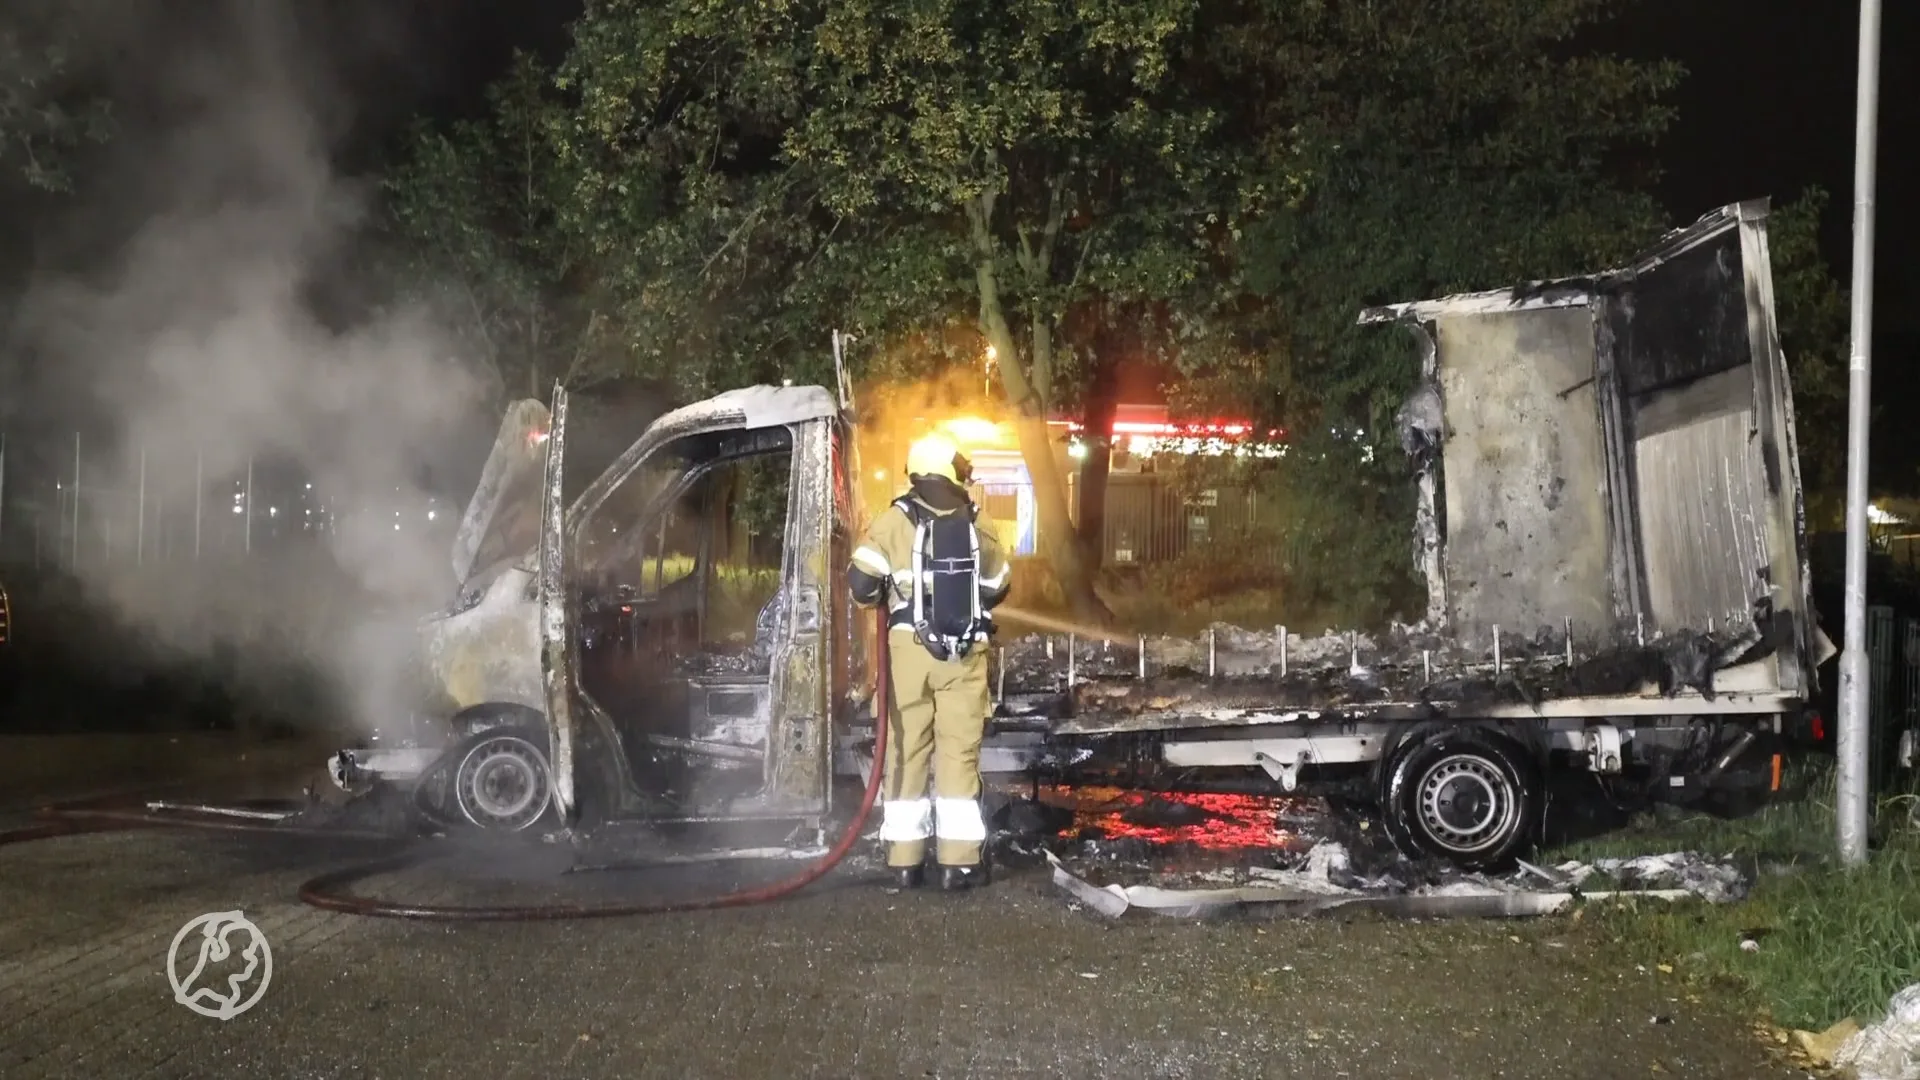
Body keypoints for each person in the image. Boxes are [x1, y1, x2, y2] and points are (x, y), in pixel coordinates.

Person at [848, 431, 1010, 891]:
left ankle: (905, 862)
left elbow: (861, 585)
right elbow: (999, 586)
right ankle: (959, 864)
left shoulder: (893, 522)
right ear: (951, 473)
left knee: (905, 751)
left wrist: (889, 593)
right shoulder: (979, 522)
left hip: (909, 655)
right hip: (965, 655)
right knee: (958, 755)